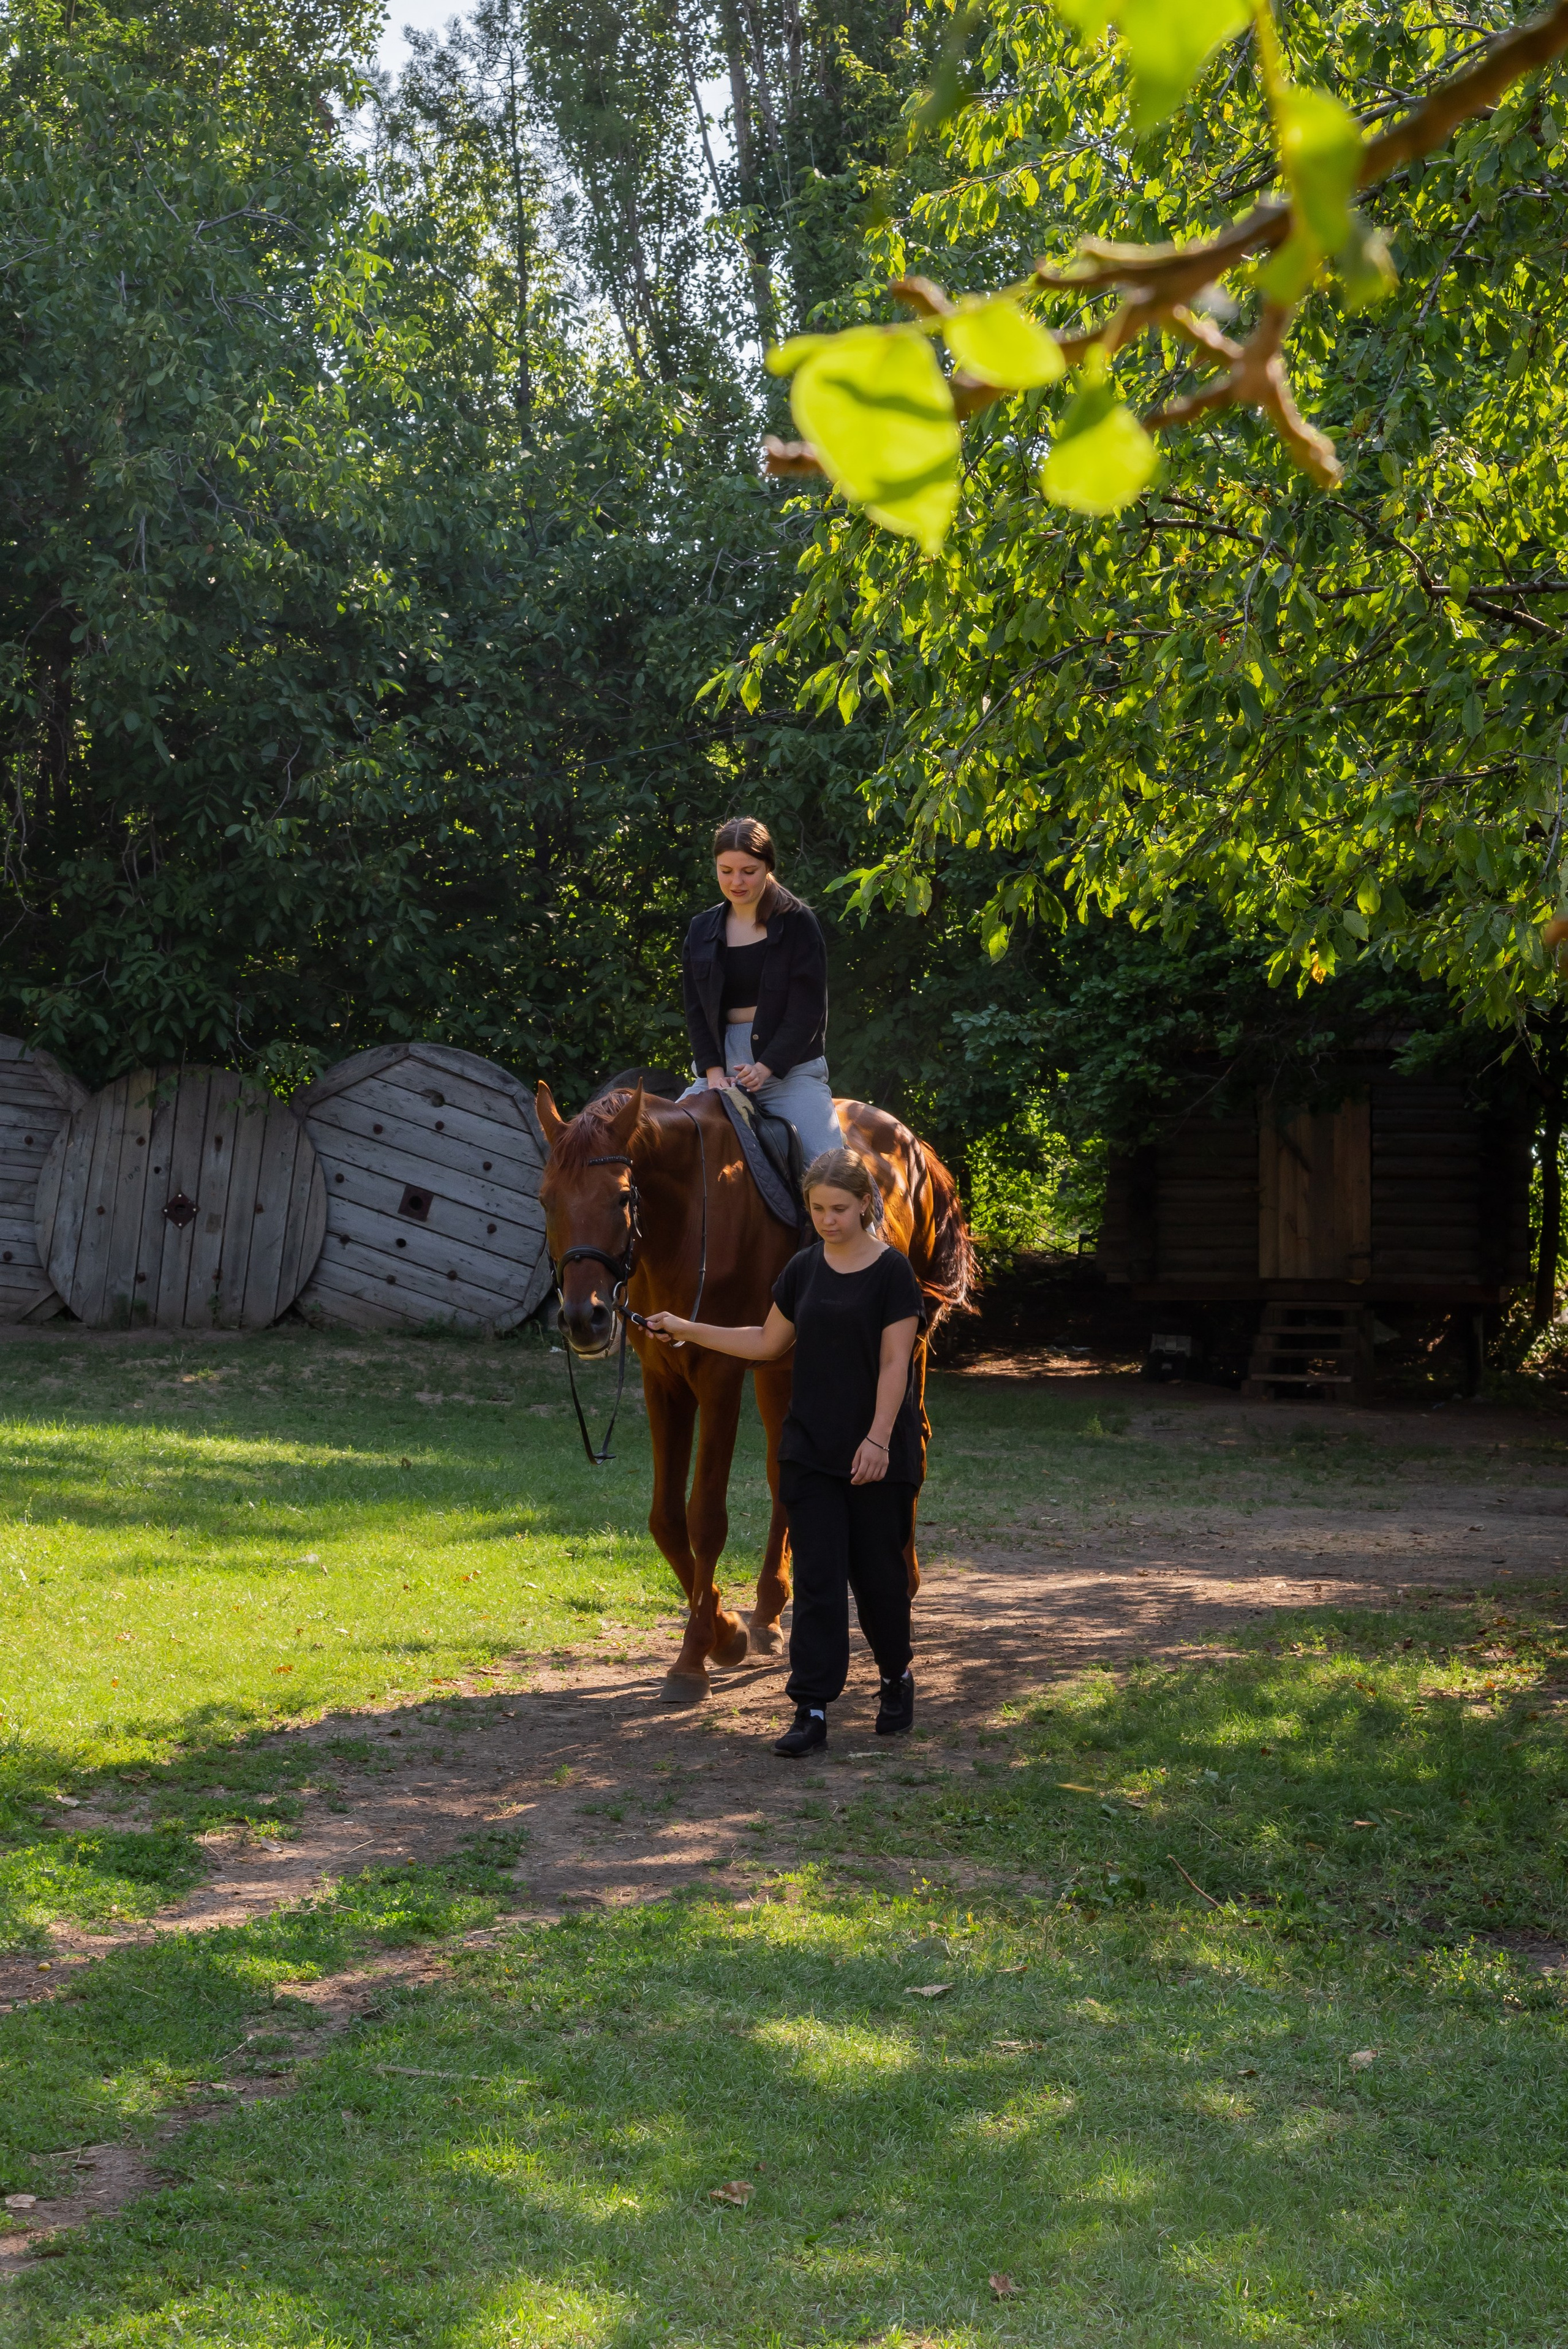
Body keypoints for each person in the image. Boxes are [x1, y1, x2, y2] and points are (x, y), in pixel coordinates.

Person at [646, 1147, 926, 1758]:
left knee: (877, 1579)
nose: (829, 1220)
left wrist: (878, 1438)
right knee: (819, 1580)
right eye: (819, 1209)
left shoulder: (891, 1274)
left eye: (840, 1209)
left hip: (877, 1450)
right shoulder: (802, 1270)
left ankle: (894, 1677)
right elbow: (766, 1341)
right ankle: (812, 1707)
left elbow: (894, 1362)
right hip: (810, 1449)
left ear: (865, 1205)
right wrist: (686, 1326)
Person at [679, 815, 843, 1163]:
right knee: (661, 1152)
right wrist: (712, 1074)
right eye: (726, 870)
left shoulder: (798, 922)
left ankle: (868, 1220)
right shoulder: (700, 929)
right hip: (719, 1072)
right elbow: (695, 1009)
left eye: (748, 871)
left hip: (790, 1072)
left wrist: (767, 1066)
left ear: (768, 866)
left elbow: (808, 1010)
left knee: (830, 1170)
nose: (736, 881)